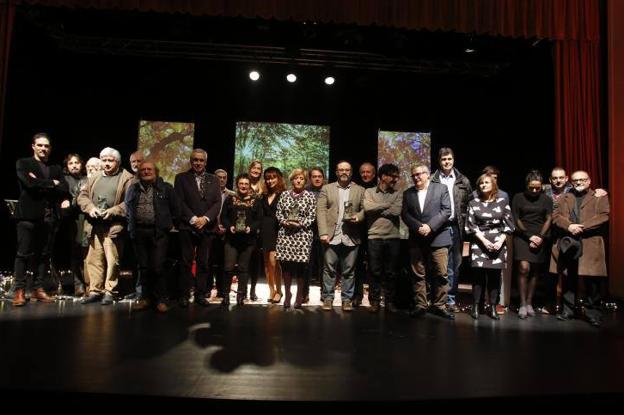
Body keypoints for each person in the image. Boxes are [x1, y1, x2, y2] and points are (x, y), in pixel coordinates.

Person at [12, 133, 69, 307]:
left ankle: (37, 288)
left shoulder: (56, 168)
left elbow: (64, 189)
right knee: (23, 253)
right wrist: (52, 183)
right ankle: (19, 290)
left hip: (48, 217)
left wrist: (42, 182)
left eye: (46, 146)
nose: (43, 149)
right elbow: (29, 184)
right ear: (33, 146)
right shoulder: (24, 163)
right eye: (40, 145)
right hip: (28, 215)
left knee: (44, 255)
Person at [550, 171, 609, 327]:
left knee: (592, 280)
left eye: (582, 180)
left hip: (591, 242)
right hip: (569, 242)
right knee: (569, 277)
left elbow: (604, 216)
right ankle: (568, 310)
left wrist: (581, 227)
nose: (578, 182)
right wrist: (569, 226)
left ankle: (593, 313)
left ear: (589, 181)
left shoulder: (599, 196)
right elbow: (556, 217)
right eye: (575, 180)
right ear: (572, 182)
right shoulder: (564, 197)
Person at [78, 147, 134, 305]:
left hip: (114, 226)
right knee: (93, 259)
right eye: (104, 160)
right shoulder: (94, 176)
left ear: (118, 162)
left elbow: (130, 201)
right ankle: (95, 290)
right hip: (94, 225)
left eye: (111, 160)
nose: (107, 163)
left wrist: (114, 211)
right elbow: (82, 196)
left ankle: (110, 291)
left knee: (112, 260)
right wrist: (91, 208)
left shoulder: (127, 178)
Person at [125, 161, 180, 313]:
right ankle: (145, 298)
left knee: (157, 267)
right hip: (139, 232)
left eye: (149, 169)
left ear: (156, 171)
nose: (146, 172)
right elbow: (128, 208)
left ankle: (161, 299)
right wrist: (131, 229)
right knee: (143, 267)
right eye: (143, 170)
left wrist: (170, 226)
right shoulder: (133, 188)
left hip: (159, 233)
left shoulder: (166, 188)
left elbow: (176, 209)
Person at [401, 164, 454, 320]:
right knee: (418, 274)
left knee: (441, 273)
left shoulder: (441, 188)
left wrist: (430, 226)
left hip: (439, 237)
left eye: (419, 174)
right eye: (413, 175)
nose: (416, 177)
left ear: (427, 174)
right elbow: (405, 214)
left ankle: (440, 306)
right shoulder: (408, 193)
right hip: (417, 239)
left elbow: (446, 211)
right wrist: (419, 227)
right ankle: (421, 305)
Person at [174, 148, 221, 307]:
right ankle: (183, 295)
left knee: (203, 263)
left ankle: (201, 294)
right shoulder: (181, 178)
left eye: (201, 160)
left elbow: (217, 203)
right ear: (190, 160)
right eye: (195, 160)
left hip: (207, 227)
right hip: (187, 226)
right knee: (186, 262)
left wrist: (206, 219)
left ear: (205, 162)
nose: (198, 163)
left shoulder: (214, 179)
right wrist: (194, 219)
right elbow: (179, 202)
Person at [465, 173, 515, 320]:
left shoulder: (502, 202)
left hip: (498, 243)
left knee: (494, 277)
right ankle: (476, 306)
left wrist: (500, 241)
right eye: (481, 183)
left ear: (493, 185)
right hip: (479, 243)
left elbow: (509, 225)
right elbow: (471, 226)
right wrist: (484, 241)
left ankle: (492, 306)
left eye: (487, 182)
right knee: (478, 276)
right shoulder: (473, 203)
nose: (483, 185)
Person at [317, 161, 365, 311]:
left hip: (351, 236)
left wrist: (359, 217)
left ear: (351, 172)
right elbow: (321, 211)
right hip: (331, 235)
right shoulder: (327, 188)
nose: (344, 172)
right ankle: (328, 298)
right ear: (336, 172)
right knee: (329, 269)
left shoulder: (360, 190)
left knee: (349, 271)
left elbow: (365, 208)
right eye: (341, 170)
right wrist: (323, 232)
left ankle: (346, 299)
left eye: (347, 170)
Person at [429, 147, 472, 312]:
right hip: (439, 227)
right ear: (439, 161)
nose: (447, 162)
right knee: (440, 266)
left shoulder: (463, 180)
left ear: (453, 160)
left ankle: (451, 300)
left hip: (456, 227)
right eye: (443, 159)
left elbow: (469, 204)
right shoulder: (433, 180)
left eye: (449, 159)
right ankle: (438, 298)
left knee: (455, 265)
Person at [511, 170, 553, 319]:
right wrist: (530, 236)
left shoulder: (547, 199)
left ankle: (529, 303)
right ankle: (522, 303)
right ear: (526, 185)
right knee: (524, 267)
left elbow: (548, 218)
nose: (534, 190)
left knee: (535, 270)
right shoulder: (518, 197)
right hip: (523, 235)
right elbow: (516, 218)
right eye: (531, 187)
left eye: (537, 187)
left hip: (540, 234)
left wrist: (540, 237)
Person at [363, 163, 403, 313]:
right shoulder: (369, 191)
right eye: (393, 176)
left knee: (391, 272)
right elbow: (367, 208)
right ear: (383, 177)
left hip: (393, 237)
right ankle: (374, 301)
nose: (396, 179)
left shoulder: (398, 193)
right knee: (374, 271)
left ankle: (389, 302)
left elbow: (396, 211)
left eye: (397, 176)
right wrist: (387, 205)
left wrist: (377, 207)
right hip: (374, 237)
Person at [275, 169, 317, 309]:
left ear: (305, 181)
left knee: (300, 268)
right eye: (296, 178)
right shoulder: (284, 195)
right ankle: (287, 295)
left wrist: (300, 223)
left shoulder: (310, 196)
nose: (298, 181)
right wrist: (284, 222)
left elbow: (311, 216)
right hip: (286, 234)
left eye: (301, 179)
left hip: (303, 235)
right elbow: (279, 212)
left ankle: (299, 296)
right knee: (286, 266)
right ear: (291, 180)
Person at [220, 174, 262, 306]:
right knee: (228, 268)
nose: (243, 186)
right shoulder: (230, 199)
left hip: (248, 241)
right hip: (232, 240)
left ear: (249, 186)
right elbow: (223, 217)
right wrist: (229, 226)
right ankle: (225, 295)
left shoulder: (256, 201)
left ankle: (240, 295)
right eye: (241, 183)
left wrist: (251, 228)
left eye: (246, 184)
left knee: (243, 269)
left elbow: (258, 220)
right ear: (237, 185)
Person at [60, 153, 89, 296]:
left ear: (82, 164)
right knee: (76, 251)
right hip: (73, 220)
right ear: (67, 166)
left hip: (88, 218)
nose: (74, 165)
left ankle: (89, 284)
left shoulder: (87, 179)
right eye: (71, 163)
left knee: (88, 253)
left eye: (77, 162)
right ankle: (78, 285)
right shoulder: (65, 180)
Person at [353, 162, 377, 306]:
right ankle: (357, 295)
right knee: (357, 266)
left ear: (374, 174)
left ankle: (374, 298)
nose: (365, 174)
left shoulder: (378, 190)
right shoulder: (355, 189)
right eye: (363, 172)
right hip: (358, 232)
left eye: (368, 172)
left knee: (374, 267)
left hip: (374, 232)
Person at [261, 167, 285, 303]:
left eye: (273, 177)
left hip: (277, 231)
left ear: (279, 178)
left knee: (274, 262)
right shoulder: (263, 196)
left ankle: (279, 291)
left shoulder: (284, 195)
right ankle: (271, 291)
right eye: (268, 178)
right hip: (264, 232)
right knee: (266, 264)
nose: (270, 180)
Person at [212, 169, 236, 300]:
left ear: (226, 179)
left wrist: (226, 227)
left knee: (224, 262)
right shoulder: (208, 192)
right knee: (209, 261)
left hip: (227, 232)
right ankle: (206, 288)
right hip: (211, 230)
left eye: (224, 177)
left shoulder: (232, 195)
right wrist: (215, 226)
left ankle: (222, 290)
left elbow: (235, 215)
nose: (221, 179)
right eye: (218, 177)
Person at [302, 167, 325, 303]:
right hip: (307, 233)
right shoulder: (304, 192)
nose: (317, 178)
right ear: (310, 178)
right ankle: (304, 293)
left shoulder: (328, 190)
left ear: (323, 177)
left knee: (324, 265)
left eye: (319, 176)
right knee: (307, 265)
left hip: (324, 233)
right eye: (314, 176)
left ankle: (324, 293)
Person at [246, 159, 265, 301]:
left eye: (259, 168)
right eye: (254, 168)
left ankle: (253, 290)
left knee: (255, 261)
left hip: (259, 228)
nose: (256, 171)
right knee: (244, 261)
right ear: (250, 168)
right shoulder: (243, 182)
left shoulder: (263, 186)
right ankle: (243, 289)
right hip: (244, 227)